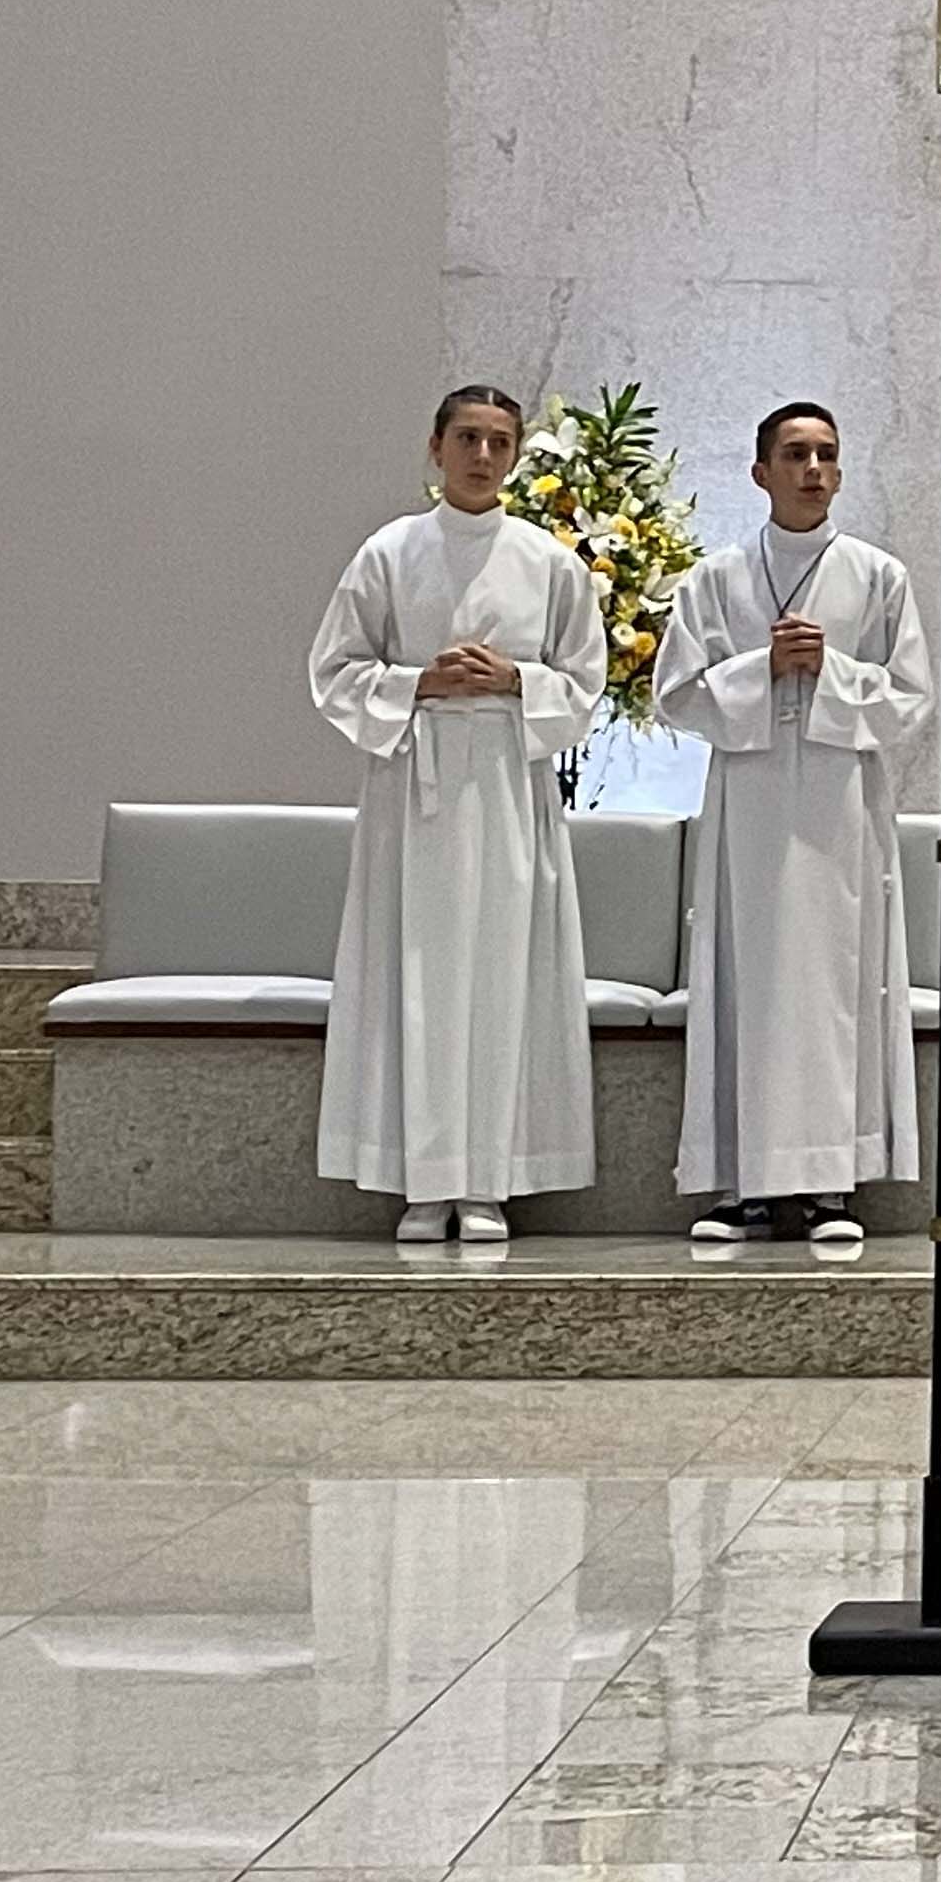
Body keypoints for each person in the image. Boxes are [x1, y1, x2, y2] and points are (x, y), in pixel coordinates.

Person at [309, 384, 606, 1242]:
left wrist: (516, 681)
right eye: (467, 438)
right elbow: (334, 671)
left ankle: (488, 1182)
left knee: (504, 977)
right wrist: (418, 684)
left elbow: (584, 684)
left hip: (509, 788)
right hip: (417, 789)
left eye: (499, 442)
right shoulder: (389, 552)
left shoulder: (549, 562)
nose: (482, 456)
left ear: (516, 455)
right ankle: (423, 1182)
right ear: (435, 448)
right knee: (417, 974)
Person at [654, 402, 934, 1252]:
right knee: (746, 980)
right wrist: (761, 669)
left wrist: (832, 671)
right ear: (760, 472)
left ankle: (827, 1186)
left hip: (839, 806)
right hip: (749, 801)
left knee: (835, 984)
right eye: (795, 454)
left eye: (826, 455)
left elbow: (911, 698)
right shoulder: (715, 579)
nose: (813, 469)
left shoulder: (878, 576)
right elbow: (676, 694)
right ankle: (742, 1186)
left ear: (840, 473)